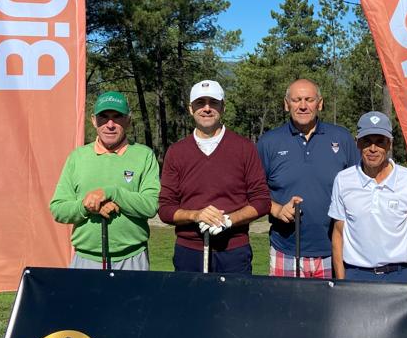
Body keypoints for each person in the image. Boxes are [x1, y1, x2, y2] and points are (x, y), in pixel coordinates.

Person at [158, 80, 270, 274]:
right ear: (191, 109)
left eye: (213, 103)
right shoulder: (176, 152)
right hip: (189, 251)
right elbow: (166, 209)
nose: (207, 108)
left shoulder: (244, 148)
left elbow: (261, 201)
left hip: (233, 251)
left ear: (223, 107)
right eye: (200, 103)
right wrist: (195, 215)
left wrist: (229, 220)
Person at [257, 79, 358, 279]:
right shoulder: (269, 142)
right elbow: (254, 192)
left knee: (334, 302)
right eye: (296, 100)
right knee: (286, 302)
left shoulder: (342, 138)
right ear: (286, 104)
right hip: (285, 249)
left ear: (320, 103)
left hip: (335, 250)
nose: (303, 106)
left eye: (309, 100)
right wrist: (276, 209)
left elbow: (360, 187)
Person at [50, 91, 160, 270]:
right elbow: (58, 209)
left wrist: (112, 193)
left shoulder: (144, 155)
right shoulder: (77, 157)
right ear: (94, 120)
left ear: (128, 120)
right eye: (104, 117)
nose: (110, 125)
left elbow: (150, 206)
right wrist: (87, 206)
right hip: (86, 259)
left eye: (117, 117)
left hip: (132, 258)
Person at [328, 110, 407, 283]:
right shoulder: (343, 180)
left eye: (380, 142)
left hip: (401, 275)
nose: (373, 149)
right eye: (367, 141)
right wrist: (341, 281)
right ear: (357, 143)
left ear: (389, 144)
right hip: (357, 275)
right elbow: (338, 234)